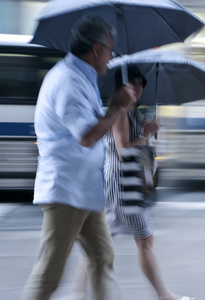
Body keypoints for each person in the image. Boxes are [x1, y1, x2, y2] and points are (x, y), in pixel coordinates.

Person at [21, 16, 136, 300]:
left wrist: (113, 108)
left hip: (83, 190)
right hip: (66, 191)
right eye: (111, 49)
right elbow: (87, 136)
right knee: (49, 272)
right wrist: (117, 109)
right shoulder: (67, 81)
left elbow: (93, 124)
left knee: (102, 257)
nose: (112, 56)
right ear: (96, 49)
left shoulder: (82, 78)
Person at [76, 66, 196, 300]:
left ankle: (78, 292)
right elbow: (123, 151)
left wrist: (147, 131)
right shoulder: (120, 112)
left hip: (124, 181)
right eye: (134, 83)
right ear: (122, 86)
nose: (139, 88)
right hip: (122, 182)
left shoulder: (131, 112)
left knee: (105, 238)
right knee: (142, 238)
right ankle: (163, 295)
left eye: (142, 83)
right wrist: (148, 134)